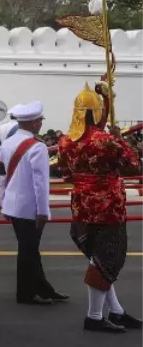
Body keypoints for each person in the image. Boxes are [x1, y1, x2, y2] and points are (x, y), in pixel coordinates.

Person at [58, 83, 142, 333]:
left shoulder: (65, 142)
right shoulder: (106, 141)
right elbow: (134, 166)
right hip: (107, 207)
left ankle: (115, 312)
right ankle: (94, 317)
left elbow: (64, 172)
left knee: (99, 260)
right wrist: (119, 140)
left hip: (81, 205)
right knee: (107, 260)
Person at [0, 101, 66, 305]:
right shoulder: (37, 147)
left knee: (29, 248)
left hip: (13, 205)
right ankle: (25, 293)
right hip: (30, 207)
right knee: (28, 250)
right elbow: (40, 183)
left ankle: (43, 288)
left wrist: (4, 203)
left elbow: (3, 178)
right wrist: (43, 211)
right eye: (39, 121)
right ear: (34, 123)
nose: (40, 124)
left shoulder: (6, 144)